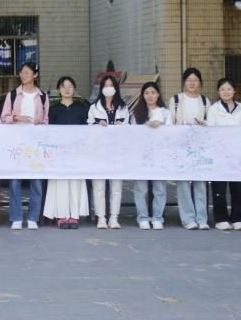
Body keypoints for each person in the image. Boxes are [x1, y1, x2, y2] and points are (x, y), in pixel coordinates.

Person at [0, 61, 49, 230]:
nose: (23, 75)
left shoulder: (43, 96)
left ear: (35, 75)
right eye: (22, 72)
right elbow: (4, 117)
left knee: (36, 181)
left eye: (27, 72)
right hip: (16, 145)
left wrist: (41, 124)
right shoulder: (13, 95)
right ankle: (16, 217)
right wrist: (16, 118)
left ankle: (33, 217)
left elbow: (46, 120)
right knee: (15, 181)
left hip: (36, 145)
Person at [206, 78, 241, 231]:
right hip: (219, 155)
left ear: (234, 91)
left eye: (229, 89)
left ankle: (237, 218)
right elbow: (211, 132)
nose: (226, 92)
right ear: (218, 92)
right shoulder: (214, 109)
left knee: (237, 188)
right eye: (222, 89)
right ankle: (221, 219)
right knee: (219, 189)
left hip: (238, 155)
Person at [43, 77, 89, 228]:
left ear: (74, 89)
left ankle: (74, 216)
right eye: (63, 86)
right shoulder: (54, 109)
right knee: (60, 183)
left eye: (70, 86)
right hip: (59, 154)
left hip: (77, 153)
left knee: (75, 183)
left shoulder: (82, 108)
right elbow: (49, 132)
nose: (67, 89)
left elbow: (87, 130)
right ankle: (62, 215)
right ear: (59, 89)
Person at [170, 68, 211, 230]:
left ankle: (202, 218)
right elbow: (170, 124)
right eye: (189, 80)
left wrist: (205, 125)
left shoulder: (205, 101)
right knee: (183, 183)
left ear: (200, 82)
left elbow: (211, 123)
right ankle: (188, 219)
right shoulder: (175, 100)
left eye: (195, 80)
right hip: (181, 147)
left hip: (200, 147)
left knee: (200, 181)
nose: (192, 83)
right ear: (184, 82)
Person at [129, 81, 173, 230]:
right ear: (142, 95)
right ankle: (142, 217)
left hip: (160, 156)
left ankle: (157, 217)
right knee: (141, 189)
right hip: (141, 156)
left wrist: (161, 127)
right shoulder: (136, 113)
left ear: (158, 95)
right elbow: (132, 135)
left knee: (159, 189)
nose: (150, 96)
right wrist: (145, 127)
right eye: (147, 93)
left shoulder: (165, 113)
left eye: (153, 92)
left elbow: (170, 134)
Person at [88, 75, 130, 229]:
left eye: (111, 85)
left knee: (116, 187)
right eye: (105, 85)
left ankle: (114, 217)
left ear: (116, 88)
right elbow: (88, 127)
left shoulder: (123, 107)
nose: (108, 88)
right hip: (99, 152)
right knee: (98, 186)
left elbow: (129, 127)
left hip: (117, 152)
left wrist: (121, 125)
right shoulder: (94, 107)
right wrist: (98, 124)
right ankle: (101, 218)